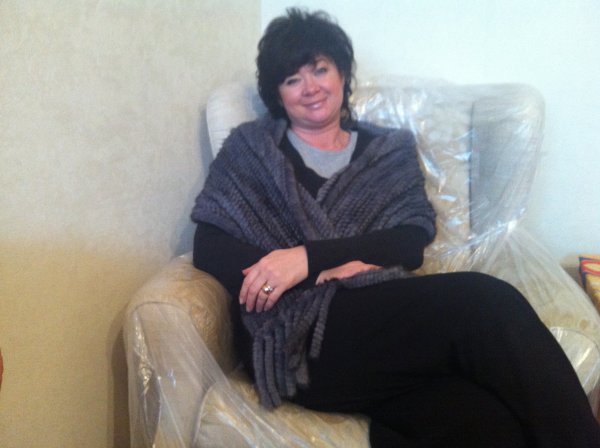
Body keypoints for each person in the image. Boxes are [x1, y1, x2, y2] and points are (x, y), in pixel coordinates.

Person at [191, 8, 600, 447]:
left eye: (320, 70)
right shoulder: (250, 149)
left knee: (489, 424)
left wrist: (312, 258)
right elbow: (209, 245)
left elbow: (410, 239)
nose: (310, 88)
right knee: (487, 302)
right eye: (292, 79)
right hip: (291, 343)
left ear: (342, 73)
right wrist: (299, 272)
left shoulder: (389, 150)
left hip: (382, 328)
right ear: (277, 93)